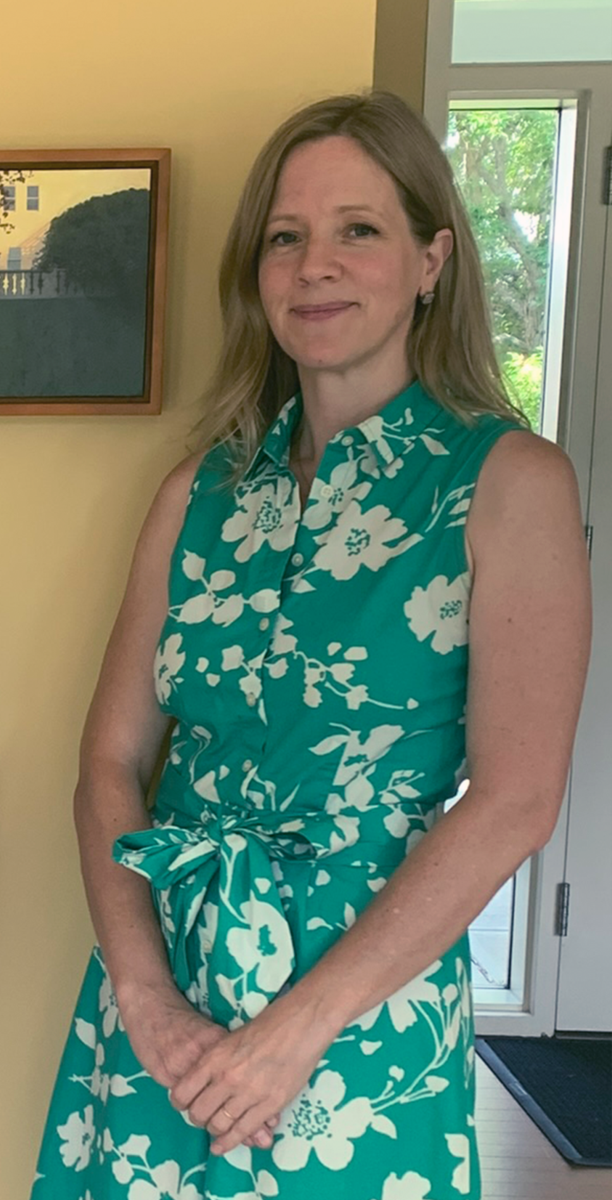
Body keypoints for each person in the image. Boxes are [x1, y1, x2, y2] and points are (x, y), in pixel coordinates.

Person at [30, 91, 589, 1200]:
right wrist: (141, 993)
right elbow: (108, 762)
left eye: (357, 230)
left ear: (432, 259)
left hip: (354, 1017)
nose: (313, 265)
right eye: (285, 238)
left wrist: (295, 1030)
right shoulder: (200, 490)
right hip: (164, 999)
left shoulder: (505, 484)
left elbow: (517, 798)